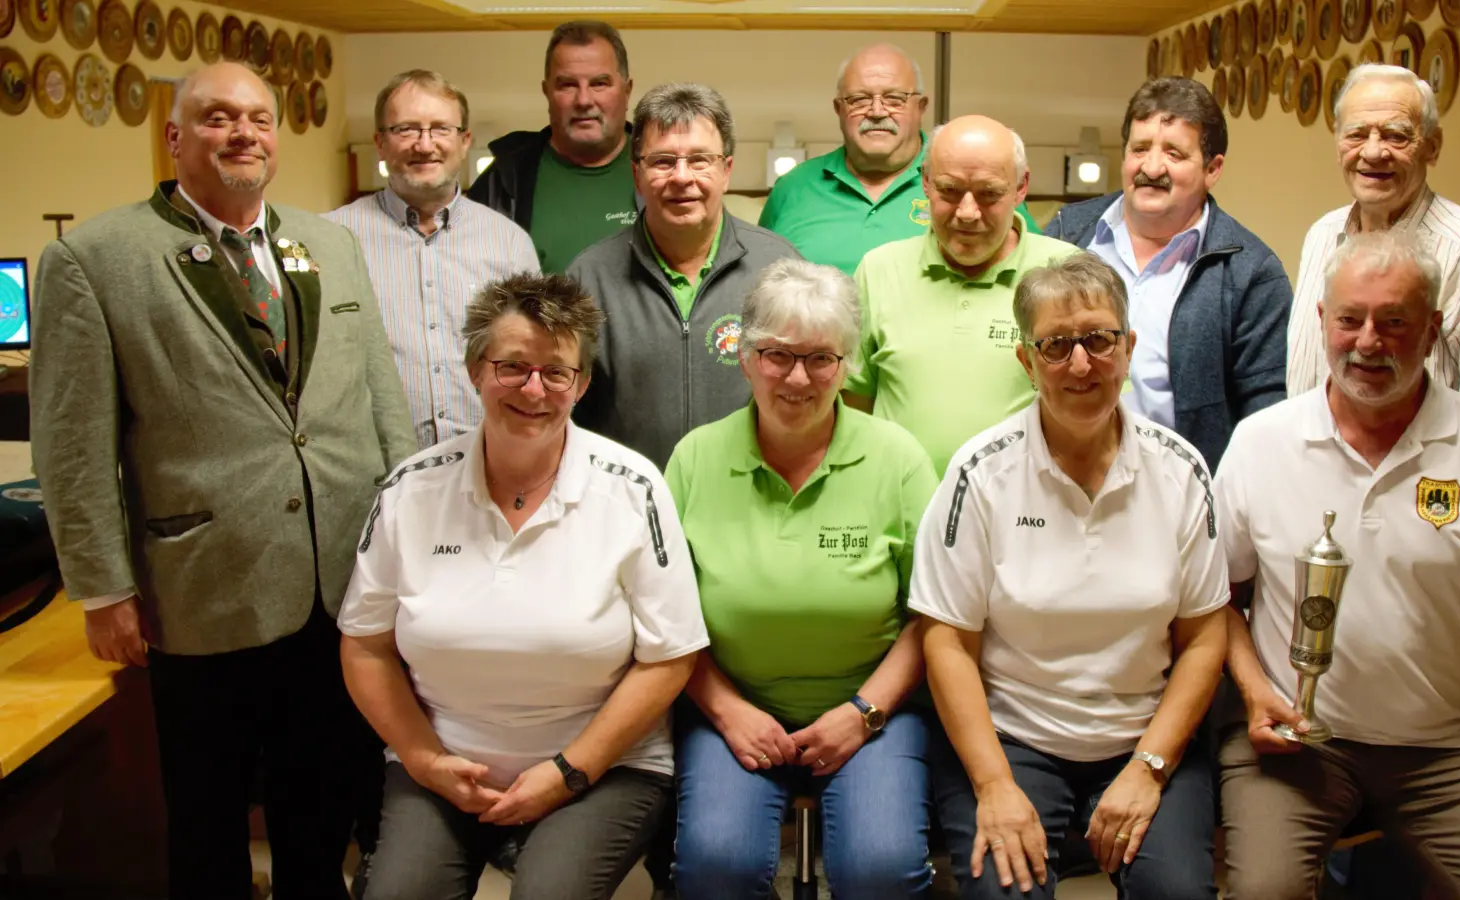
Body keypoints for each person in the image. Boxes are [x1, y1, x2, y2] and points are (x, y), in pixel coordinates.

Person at [28, 62, 416, 900]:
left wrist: (403, 540)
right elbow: (71, 443)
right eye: (215, 118)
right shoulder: (95, 259)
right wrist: (101, 589)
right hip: (202, 587)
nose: (242, 132)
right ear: (174, 138)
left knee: (322, 803)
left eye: (257, 118)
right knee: (206, 819)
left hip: (341, 580)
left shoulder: (331, 244)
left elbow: (379, 395)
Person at [1216, 230, 1460, 900]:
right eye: (1350, 319)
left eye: (1394, 322)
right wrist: (1253, 690)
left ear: (1432, 329)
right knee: (1262, 894)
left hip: (1452, 749)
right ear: (1323, 321)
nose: (1367, 342)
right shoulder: (1261, 441)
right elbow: (1219, 600)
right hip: (1298, 749)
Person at [340, 272, 708, 900]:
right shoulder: (412, 487)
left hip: (603, 767)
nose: (533, 389)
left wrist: (569, 770)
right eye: (512, 366)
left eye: (556, 372)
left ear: (582, 384)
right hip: (443, 763)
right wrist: (425, 760)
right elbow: (365, 645)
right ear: (475, 369)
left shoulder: (633, 487)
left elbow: (670, 657)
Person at [914, 253, 1229, 900]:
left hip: (1145, 734)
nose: (1080, 364)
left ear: (1129, 347)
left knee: (1177, 892)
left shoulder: (1180, 470)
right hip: (1014, 738)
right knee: (1006, 891)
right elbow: (946, 640)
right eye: (1056, 346)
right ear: (1026, 362)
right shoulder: (981, 473)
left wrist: (1149, 767)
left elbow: (1203, 638)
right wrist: (995, 785)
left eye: (1098, 339)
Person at [666, 259, 940, 899]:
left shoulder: (896, 458)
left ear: (848, 365)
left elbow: (933, 615)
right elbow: (666, 623)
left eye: (822, 359)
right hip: (729, 708)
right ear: (744, 356)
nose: (798, 377)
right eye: (777, 355)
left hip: (876, 710)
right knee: (715, 865)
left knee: (881, 868)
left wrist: (863, 713)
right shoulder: (694, 458)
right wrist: (730, 712)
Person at [1044, 77, 1290, 470]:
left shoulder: (1250, 272)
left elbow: (1266, 413)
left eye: (1174, 154)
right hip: (1059, 482)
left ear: (1212, 169)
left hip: (1181, 499)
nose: (1151, 167)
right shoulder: (1063, 237)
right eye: (1140, 149)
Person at [566, 82, 800, 470]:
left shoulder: (779, 268)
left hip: (750, 508)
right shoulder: (589, 280)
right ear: (636, 174)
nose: (681, 177)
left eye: (699, 160)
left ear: (726, 171)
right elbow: (566, 415)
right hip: (628, 510)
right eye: (662, 161)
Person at [1285, 63, 1460, 423]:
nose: (1372, 152)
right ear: (1338, 145)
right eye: (1356, 134)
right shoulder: (1322, 235)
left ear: (1432, 147)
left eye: (1396, 136)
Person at [846, 115, 1078, 475]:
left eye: (989, 194)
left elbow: (1096, 407)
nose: (967, 213)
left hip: (1025, 516)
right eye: (949, 191)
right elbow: (852, 407)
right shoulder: (878, 271)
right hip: (903, 515)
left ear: (1021, 187)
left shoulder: (1068, 273)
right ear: (925, 182)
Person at [328, 69, 541, 449]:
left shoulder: (508, 243)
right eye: (406, 129)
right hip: (376, 469)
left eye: (441, 129)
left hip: (488, 463)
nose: (425, 146)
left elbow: (532, 361)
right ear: (379, 142)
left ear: (464, 141)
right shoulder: (333, 239)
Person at [759, 44, 1038, 276]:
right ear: (838, 109)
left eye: (894, 99)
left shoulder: (972, 184)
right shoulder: (792, 188)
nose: (877, 111)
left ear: (921, 107)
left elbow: (1036, 268)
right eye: (859, 99)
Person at [468, 21, 637, 274]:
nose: (583, 100)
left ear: (627, 90)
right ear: (547, 92)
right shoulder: (502, 183)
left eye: (599, 83)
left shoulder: (665, 169)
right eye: (567, 85)